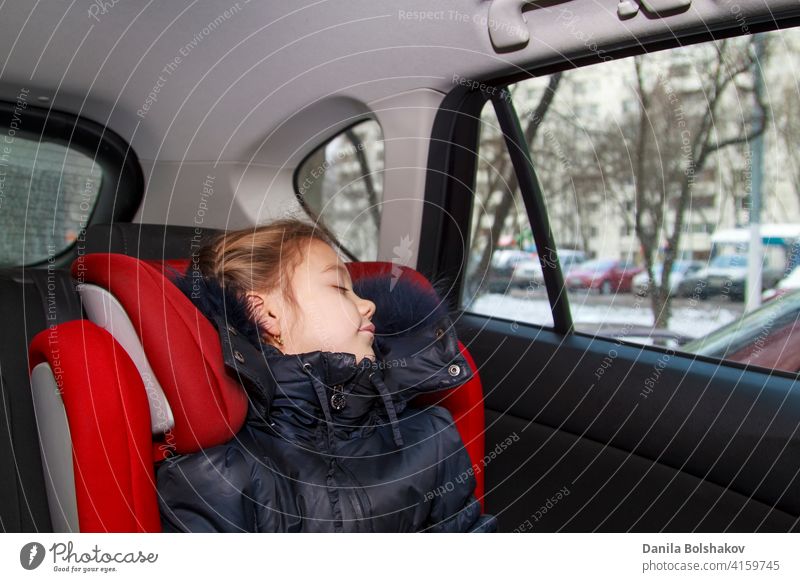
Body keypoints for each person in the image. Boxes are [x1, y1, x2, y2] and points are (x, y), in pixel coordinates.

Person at [156, 218, 497, 533]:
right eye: (339, 288)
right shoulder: (222, 476)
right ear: (266, 313)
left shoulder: (429, 435)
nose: (368, 305)